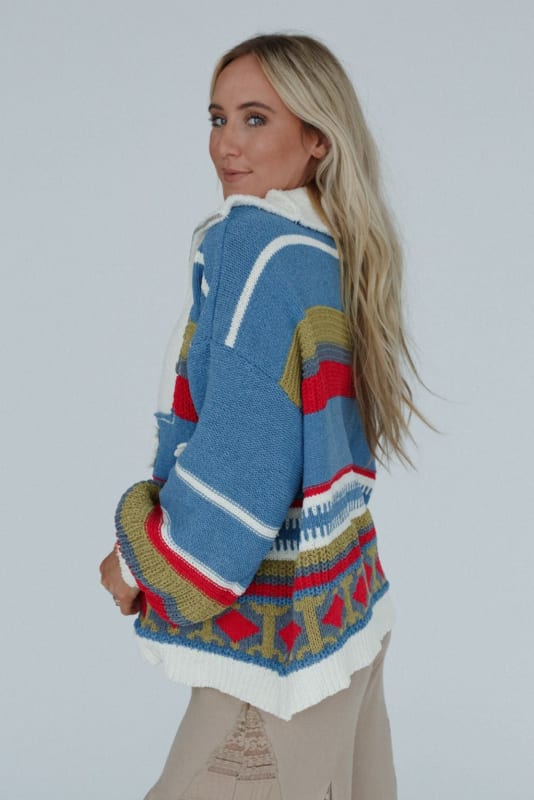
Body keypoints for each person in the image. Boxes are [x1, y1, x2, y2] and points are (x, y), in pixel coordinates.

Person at [100, 32, 429, 800]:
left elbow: (241, 468)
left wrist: (139, 558)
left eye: (256, 118)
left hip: (276, 647)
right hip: (347, 614)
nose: (227, 144)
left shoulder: (254, 244)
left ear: (318, 139)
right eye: (218, 118)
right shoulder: (333, 252)